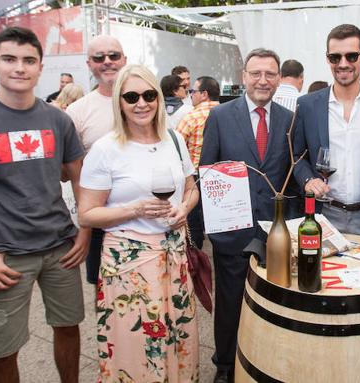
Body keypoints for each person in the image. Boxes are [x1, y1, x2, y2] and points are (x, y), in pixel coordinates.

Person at [0, 26, 89, 383]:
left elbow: (79, 176)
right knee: (4, 349)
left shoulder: (58, 119)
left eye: (28, 60)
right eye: (9, 59)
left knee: (69, 327)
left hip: (60, 248)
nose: (19, 68)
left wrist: (84, 231)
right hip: (4, 255)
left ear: (39, 66)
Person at [78, 64, 199, 382]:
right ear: (119, 102)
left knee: (177, 335)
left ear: (159, 99)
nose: (141, 103)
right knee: (138, 345)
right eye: (131, 96)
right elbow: (87, 214)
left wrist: (184, 209)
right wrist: (134, 210)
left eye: (148, 95)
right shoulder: (106, 149)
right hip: (130, 264)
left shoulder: (173, 139)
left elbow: (190, 188)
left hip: (174, 258)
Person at [200, 48, 294, 383]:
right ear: (243, 76)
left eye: (270, 74)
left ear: (279, 79)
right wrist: (216, 231)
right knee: (230, 303)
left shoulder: (288, 119)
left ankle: (267, 363)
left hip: (276, 233)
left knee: (274, 303)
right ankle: (225, 365)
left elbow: (292, 175)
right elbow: (207, 172)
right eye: (256, 73)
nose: (263, 80)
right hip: (233, 232)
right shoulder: (221, 117)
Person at [294, 24, 360, 236]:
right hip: (323, 215)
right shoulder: (307, 105)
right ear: (327, 58)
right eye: (335, 57)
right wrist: (308, 180)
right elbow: (297, 156)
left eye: (351, 56)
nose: (343, 64)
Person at [66, 35, 127, 285]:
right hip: (100, 221)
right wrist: (85, 228)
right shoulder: (77, 111)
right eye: (99, 58)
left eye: (113, 56)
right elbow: (72, 173)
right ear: (89, 63)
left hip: (146, 217)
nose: (107, 62)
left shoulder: (147, 102)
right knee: (104, 291)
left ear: (125, 60)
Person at [177, 76, 220, 250]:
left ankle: (197, 255)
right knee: (220, 221)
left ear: (204, 94)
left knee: (194, 222)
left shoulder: (191, 117)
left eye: (192, 91)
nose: (190, 95)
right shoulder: (230, 114)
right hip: (222, 176)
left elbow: (177, 146)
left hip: (195, 177)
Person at [169, 66, 194, 130]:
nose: (186, 82)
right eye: (182, 79)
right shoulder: (169, 100)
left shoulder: (195, 96)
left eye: (188, 78)